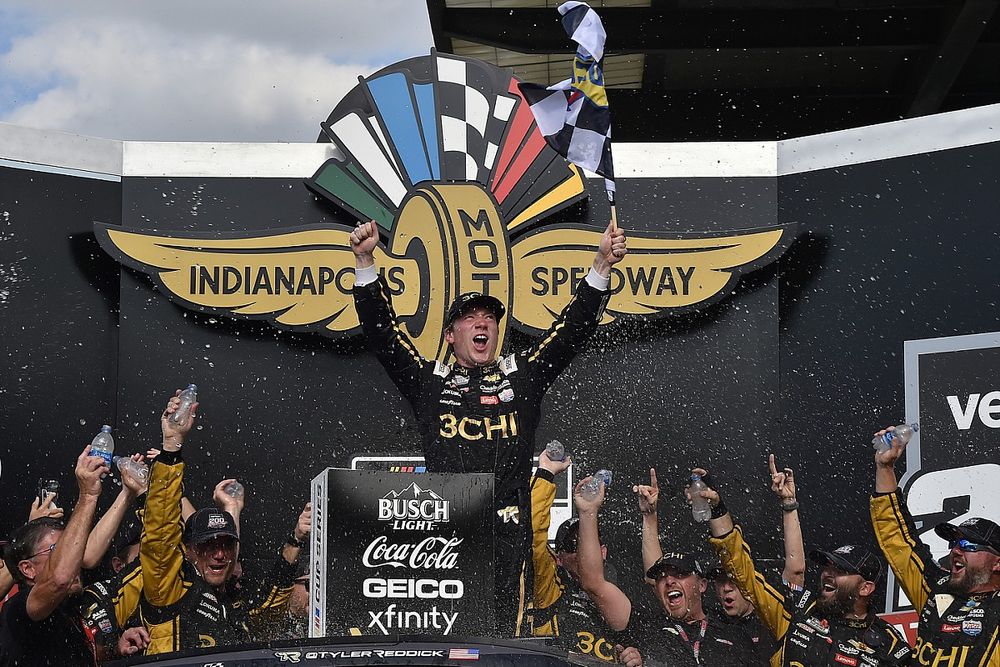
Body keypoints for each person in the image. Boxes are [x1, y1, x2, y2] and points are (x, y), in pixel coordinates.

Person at [350, 217, 628, 634]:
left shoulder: (522, 376)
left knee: (503, 638)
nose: (482, 323)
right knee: (449, 640)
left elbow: (569, 332)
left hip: (509, 531)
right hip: (446, 531)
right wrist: (365, 260)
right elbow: (384, 338)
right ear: (449, 335)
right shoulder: (430, 383)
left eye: (489, 317)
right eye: (469, 317)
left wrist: (601, 265)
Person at [137, 390, 307, 654]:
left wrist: (295, 538)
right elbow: (159, 530)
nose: (219, 554)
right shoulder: (170, 590)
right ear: (190, 549)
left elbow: (270, 613)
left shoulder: (233, 605)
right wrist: (171, 446)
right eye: (209, 545)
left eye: (227, 545)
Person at [701, 460, 911, 666]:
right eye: (827, 565)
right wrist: (717, 508)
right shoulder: (799, 609)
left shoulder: (888, 643)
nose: (828, 573)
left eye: (840, 570)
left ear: (866, 588)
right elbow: (743, 572)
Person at [870, 424, 1000, 665]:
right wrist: (885, 467)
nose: (956, 550)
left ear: (997, 562)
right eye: (954, 543)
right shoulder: (936, 588)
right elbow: (900, 543)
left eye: (968, 545)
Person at [634, 467, 771, 665]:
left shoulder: (731, 629)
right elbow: (653, 574)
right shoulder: (656, 628)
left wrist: (717, 509)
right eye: (664, 577)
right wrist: (649, 515)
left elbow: (735, 558)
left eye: (680, 573)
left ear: (702, 584)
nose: (670, 580)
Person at [0, 445, 109, 666]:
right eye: (56, 551)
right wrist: (88, 495)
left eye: (69, 552)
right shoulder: (20, 610)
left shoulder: (68, 611)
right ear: (27, 569)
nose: (72, 560)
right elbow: (59, 578)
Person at [529, 448, 628, 661]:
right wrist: (546, 474)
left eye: (587, 543)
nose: (582, 550)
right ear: (559, 557)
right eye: (572, 545)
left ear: (603, 551)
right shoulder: (549, 589)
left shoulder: (620, 591)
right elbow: (534, 538)